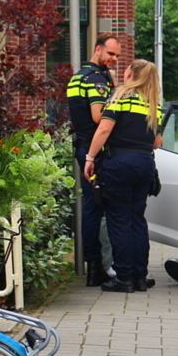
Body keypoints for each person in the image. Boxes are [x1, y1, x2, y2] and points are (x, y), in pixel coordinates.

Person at [83, 60, 162, 293]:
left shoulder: (120, 95)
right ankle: (139, 277)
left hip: (120, 164)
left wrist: (90, 158)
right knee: (137, 220)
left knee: (119, 220)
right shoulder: (153, 103)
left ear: (130, 73)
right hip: (145, 163)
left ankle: (123, 277)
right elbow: (156, 142)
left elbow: (104, 129)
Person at [67, 34, 120, 286]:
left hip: (82, 144)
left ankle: (94, 265)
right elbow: (99, 117)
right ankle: (96, 266)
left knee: (92, 205)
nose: (114, 59)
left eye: (117, 56)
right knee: (95, 206)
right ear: (97, 49)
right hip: (93, 149)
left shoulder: (78, 76)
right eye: (110, 54)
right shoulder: (97, 79)